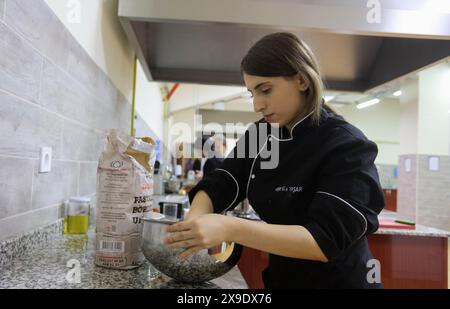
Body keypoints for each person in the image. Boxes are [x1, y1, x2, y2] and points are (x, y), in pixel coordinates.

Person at [165, 32, 385, 288]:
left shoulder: (346, 145)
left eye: (265, 90)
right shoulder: (262, 134)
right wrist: (196, 220)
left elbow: (324, 240)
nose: (257, 105)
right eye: (252, 93)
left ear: (301, 80)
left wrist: (229, 228)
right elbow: (224, 180)